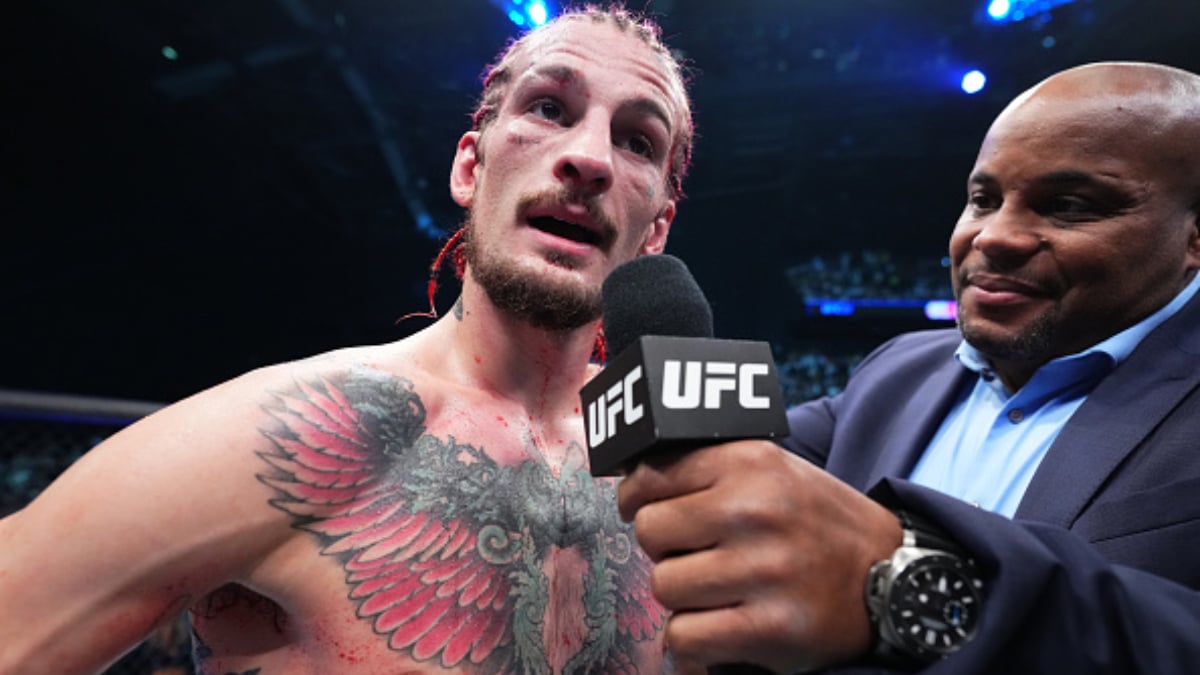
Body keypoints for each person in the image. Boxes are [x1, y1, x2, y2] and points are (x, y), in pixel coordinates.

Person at [0, 5, 695, 674]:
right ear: (470, 168)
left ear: (657, 230)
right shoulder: (293, 431)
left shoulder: (683, 471)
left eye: (637, 141)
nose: (589, 158)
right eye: (548, 108)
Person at [618, 61, 1200, 674]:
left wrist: (904, 579)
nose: (994, 236)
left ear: (1194, 235)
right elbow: (722, 459)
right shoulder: (899, 368)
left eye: (1068, 205)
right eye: (983, 200)